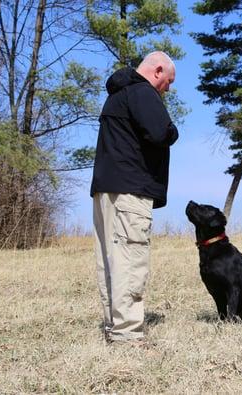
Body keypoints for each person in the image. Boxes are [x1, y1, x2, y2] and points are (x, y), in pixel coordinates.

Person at [90, 51, 179, 344]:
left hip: (106, 189)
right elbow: (160, 132)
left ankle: (114, 327)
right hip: (130, 190)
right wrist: (173, 131)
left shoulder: (118, 94)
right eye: (168, 82)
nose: (168, 89)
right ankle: (127, 334)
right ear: (157, 71)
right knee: (130, 258)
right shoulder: (142, 92)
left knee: (111, 262)